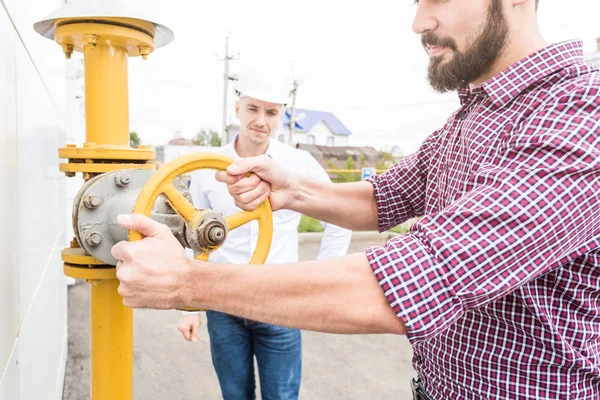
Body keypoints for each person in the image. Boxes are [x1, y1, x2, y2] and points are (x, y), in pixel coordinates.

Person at [112, 0, 600, 398]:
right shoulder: (471, 117)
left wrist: (187, 282)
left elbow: (414, 281)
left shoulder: (580, 114)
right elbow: (384, 196)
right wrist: (293, 191)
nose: (418, 21)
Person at [175, 68, 352, 400]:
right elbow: (193, 237)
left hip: (281, 300)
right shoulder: (207, 169)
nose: (261, 120)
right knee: (234, 395)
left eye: (271, 112)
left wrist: (318, 284)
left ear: (281, 116)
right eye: (253, 109)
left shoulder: (299, 164)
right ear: (238, 109)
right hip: (223, 300)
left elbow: (339, 220)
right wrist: (189, 308)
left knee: (282, 397)